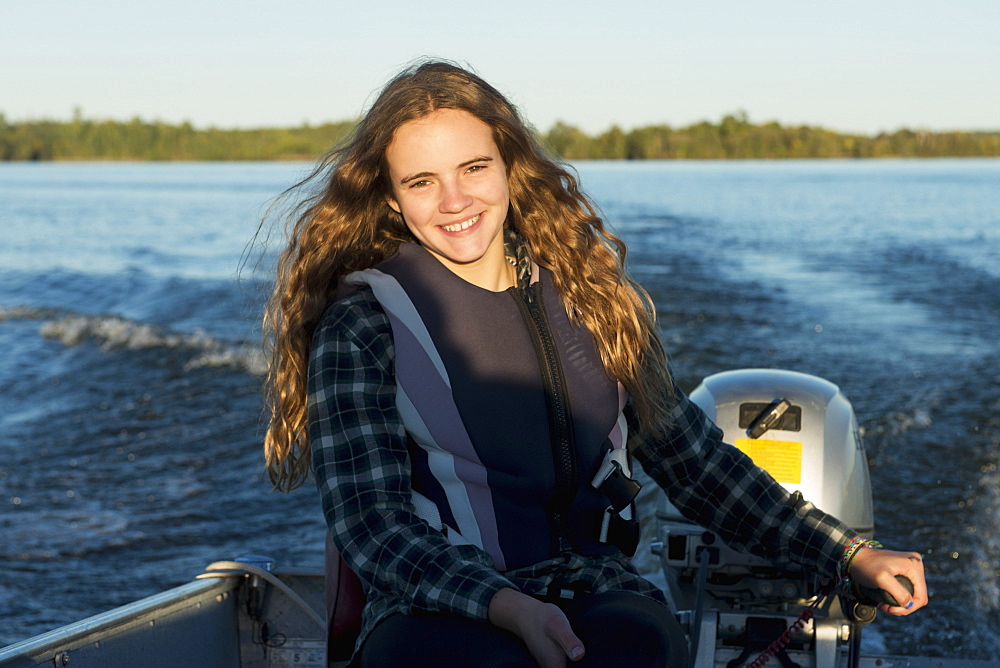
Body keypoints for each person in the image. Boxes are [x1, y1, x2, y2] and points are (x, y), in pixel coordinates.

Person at [262, 60, 927, 667]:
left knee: (638, 644)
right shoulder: (361, 327)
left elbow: (694, 461)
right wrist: (510, 607)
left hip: (594, 588)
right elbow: (374, 531)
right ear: (390, 197)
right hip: (434, 608)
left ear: (509, 167)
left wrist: (849, 554)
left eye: (474, 168)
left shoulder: (593, 298)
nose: (454, 200)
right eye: (422, 182)